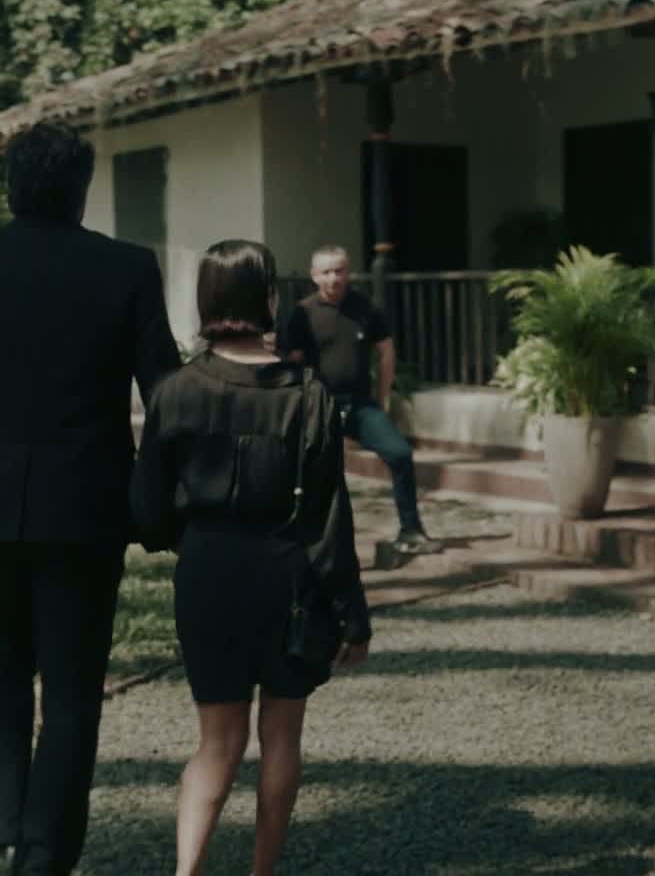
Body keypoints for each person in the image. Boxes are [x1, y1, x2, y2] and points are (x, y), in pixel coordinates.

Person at [0, 122, 183, 876]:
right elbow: (165, 390)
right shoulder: (125, 267)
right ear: (82, 189)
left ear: (10, 187)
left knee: (5, 656)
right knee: (74, 679)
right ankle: (47, 853)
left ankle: (7, 830)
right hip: (87, 497)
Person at [131, 239, 371, 876]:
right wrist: (351, 614)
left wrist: (190, 538)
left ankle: (187, 870)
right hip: (287, 571)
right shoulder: (308, 394)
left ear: (206, 300)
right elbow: (329, 519)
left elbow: (148, 510)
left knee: (217, 740)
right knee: (281, 735)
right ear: (266, 299)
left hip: (207, 570)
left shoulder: (174, 391)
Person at [277, 246, 442, 556]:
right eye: (326, 272)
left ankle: (411, 530)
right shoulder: (302, 313)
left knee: (400, 454)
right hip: (319, 406)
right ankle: (301, 540)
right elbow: (291, 362)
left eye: (339, 270)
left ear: (348, 272)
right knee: (307, 471)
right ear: (314, 276)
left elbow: (386, 351)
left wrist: (382, 399)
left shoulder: (365, 307)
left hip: (359, 404)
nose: (334, 278)